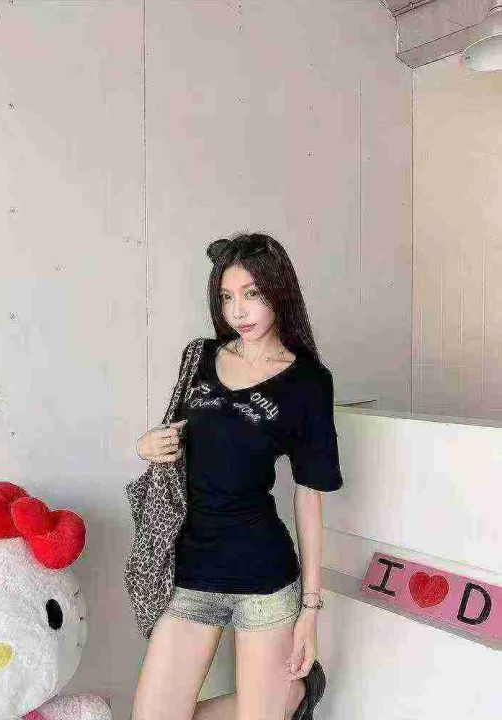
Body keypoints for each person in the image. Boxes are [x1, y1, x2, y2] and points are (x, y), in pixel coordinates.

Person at [131, 232, 344, 720]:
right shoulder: (200, 358)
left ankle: (292, 695)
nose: (238, 311)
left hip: (263, 573)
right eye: (227, 297)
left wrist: (310, 610)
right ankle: (290, 698)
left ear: (279, 292)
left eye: (252, 294)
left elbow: (308, 496)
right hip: (192, 570)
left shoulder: (308, 383)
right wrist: (147, 446)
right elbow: (176, 440)